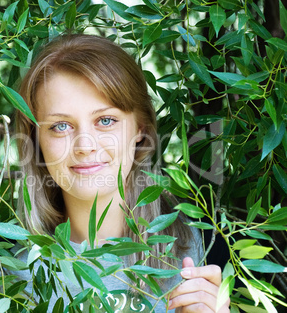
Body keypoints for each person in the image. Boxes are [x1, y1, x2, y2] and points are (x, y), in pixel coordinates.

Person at [13, 33, 230, 312]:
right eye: (60, 126)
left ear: (140, 127)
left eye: (105, 120)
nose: (85, 146)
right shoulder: (1, 268)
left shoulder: (207, 250)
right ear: (35, 138)